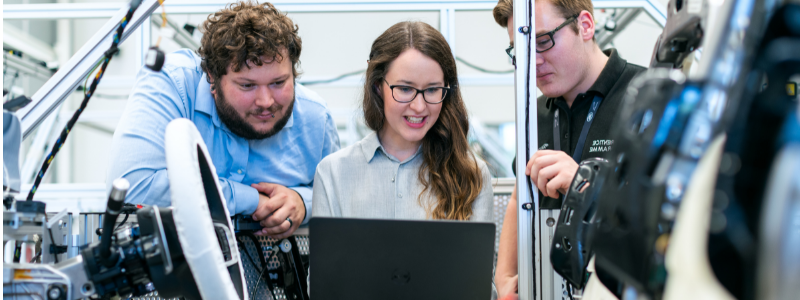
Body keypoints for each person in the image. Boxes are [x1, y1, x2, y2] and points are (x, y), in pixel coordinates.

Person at [107, 1, 340, 240]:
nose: (266, 101)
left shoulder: (316, 119)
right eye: (247, 85)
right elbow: (133, 185)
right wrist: (252, 201)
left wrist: (303, 202)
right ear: (212, 76)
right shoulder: (172, 85)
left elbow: (338, 198)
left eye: (278, 83)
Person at [492, 0, 646, 298]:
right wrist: (505, 274)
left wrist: (585, 185)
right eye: (520, 49)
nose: (532, 61)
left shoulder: (645, 97)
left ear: (585, 26)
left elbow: (665, 214)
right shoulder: (533, 113)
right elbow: (517, 196)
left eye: (543, 41)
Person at [312, 21, 494, 223]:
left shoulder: (472, 175)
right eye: (405, 89)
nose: (418, 106)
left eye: (432, 90)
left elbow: (476, 255)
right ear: (378, 86)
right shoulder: (332, 174)